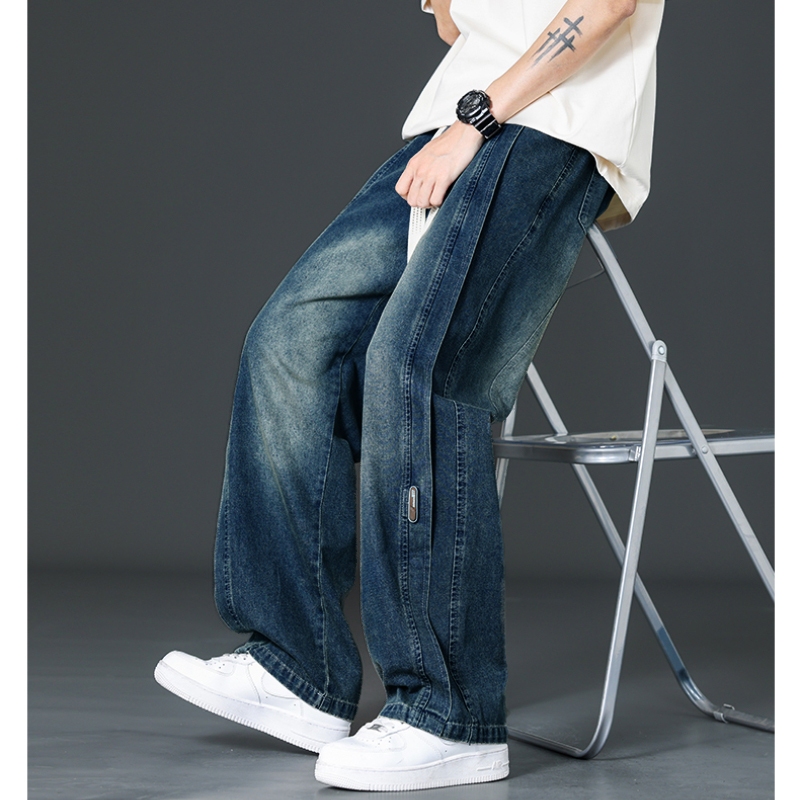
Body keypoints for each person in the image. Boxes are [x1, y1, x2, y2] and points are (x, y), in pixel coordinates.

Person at [155, 0, 664, 791]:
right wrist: (462, 105)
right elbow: (458, 28)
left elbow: (607, 6)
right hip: (453, 124)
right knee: (291, 340)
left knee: (416, 365)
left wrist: (479, 118)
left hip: (549, 125)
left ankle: (450, 714)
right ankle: (296, 665)